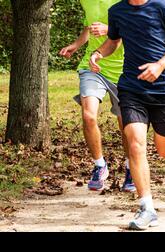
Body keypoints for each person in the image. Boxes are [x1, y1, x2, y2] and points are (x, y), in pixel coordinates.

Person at [89, 0, 165, 230]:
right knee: (135, 143)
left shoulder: (164, 7)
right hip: (132, 89)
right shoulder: (117, 11)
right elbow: (113, 41)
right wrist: (97, 53)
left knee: (164, 152)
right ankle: (147, 208)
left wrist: (160, 65)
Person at [59, 0, 136, 192]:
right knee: (88, 115)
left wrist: (109, 29)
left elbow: (139, 28)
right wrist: (76, 45)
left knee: (125, 123)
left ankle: (130, 169)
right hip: (92, 66)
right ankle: (100, 165)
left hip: (124, 69)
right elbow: (88, 27)